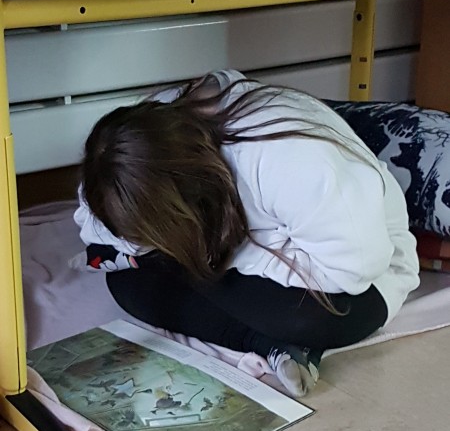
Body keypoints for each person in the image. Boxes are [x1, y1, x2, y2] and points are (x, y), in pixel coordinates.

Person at [72, 69, 420, 398]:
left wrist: (221, 257)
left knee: (313, 320)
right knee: (127, 283)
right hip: (241, 246)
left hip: (360, 276)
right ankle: (266, 343)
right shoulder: (126, 152)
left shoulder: (288, 160)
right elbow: (97, 229)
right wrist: (184, 252)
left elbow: (353, 268)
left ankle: (282, 335)